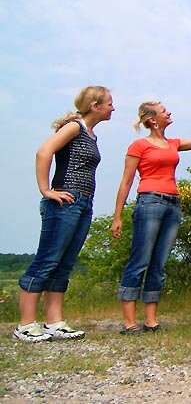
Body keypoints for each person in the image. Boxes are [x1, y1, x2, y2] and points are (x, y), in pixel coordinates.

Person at [111, 99, 191, 334]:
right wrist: (117, 216)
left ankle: (151, 321)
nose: (169, 112)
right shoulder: (139, 146)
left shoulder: (172, 144)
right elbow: (126, 182)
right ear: (152, 120)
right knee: (140, 260)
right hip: (149, 202)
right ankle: (129, 322)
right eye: (164, 111)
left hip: (173, 205)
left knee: (159, 263)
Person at [15, 86, 115, 342]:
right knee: (47, 259)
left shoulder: (91, 135)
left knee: (65, 263)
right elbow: (43, 152)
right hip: (64, 202)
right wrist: (46, 189)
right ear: (95, 105)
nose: (112, 108)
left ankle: (54, 322)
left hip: (83, 203)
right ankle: (25, 324)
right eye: (109, 104)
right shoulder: (74, 127)